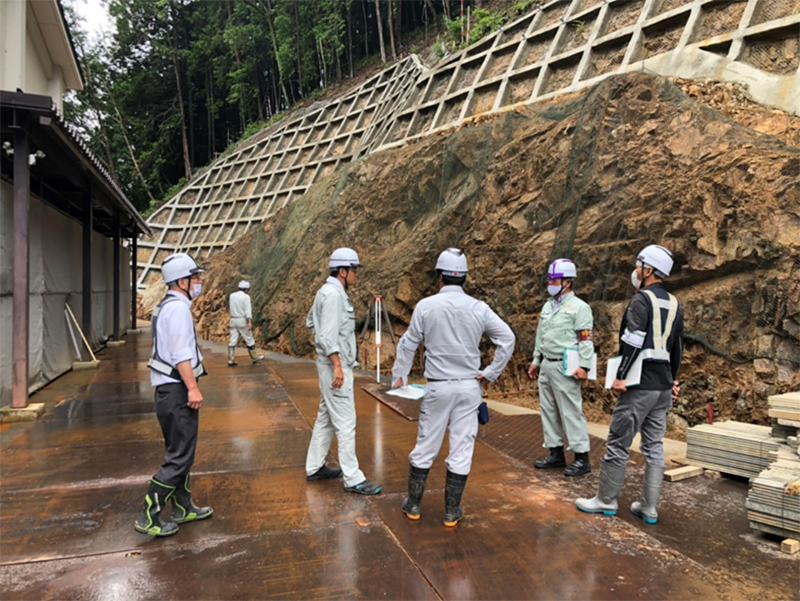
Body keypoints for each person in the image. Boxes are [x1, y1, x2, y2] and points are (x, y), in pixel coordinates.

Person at [391, 248, 515, 526]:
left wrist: (401, 375)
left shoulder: (426, 306)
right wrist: (490, 373)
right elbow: (508, 339)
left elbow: (409, 342)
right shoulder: (479, 308)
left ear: (439, 277)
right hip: (469, 388)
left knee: (426, 445)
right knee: (461, 448)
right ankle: (451, 511)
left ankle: (413, 504)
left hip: (438, 387)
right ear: (464, 278)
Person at [576, 244, 683, 524]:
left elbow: (633, 339)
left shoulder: (641, 300)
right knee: (654, 446)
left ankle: (606, 500)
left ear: (649, 271)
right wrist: (673, 379)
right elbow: (677, 347)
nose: (635, 270)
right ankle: (648, 508)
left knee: (618, 442)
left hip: (639, 386)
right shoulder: (674, 303)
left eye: (639, 266)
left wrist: (621, 374)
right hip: (662, 389)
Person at [135, 253, 213, 537]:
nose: (199, 282)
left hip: (168, 391)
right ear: (182, 280)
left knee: (181, 452)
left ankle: (183, 507)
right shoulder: (178, 309)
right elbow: (181, 354)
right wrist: (193, 387)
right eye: (195, 278)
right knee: (179, 456)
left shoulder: (166, 305)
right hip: (177, 390)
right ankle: (148, 516)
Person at [305, 248, 381, 495]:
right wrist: (337, 364)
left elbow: (311, 322)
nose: (356, 275)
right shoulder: (334, 295)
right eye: (354, 270)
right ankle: (353, 478)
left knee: (326, 418)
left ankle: (314, 467)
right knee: (346, 422)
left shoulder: (325, 292)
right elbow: (327, 335)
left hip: (329, 364)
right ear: (342, 271)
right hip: (335, 367)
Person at [527, 258, 595, 477]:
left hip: (566, 366)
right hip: (547, 363)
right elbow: (541, 335)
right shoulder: (548, 305)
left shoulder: (579, 308)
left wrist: (585, 366)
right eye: (549, 278)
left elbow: (585, 339)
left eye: (554, 279)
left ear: (567, 282)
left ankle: (581, 457)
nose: (550, 282)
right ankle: (555, 452)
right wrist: (536, 360)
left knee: (570, 411)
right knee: (548, 410)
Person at [227, 280, 265, 366]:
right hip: (242, 320)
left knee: (233, 340)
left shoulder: (232, 295)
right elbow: (248, 311)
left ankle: (230, 359)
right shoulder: (246, 297)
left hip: (233, 320)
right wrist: (250, 322)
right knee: (249, 339)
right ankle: (255, 358)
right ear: (246, 289)